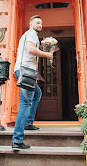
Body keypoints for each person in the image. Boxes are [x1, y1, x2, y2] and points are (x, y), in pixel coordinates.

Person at [12, 15, 57, 150]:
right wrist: (48, 55)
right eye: (37, 22)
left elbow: (32, 51)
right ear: (30, 24)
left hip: (27, 71)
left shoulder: (29, 35)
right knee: (25, 103)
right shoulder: (31, 33)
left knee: (37, 93)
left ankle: (28, 123)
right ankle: (17, 140)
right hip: (25, 71)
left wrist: (44, 50)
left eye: (41, 23)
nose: (40, 25)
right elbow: (30, 50)